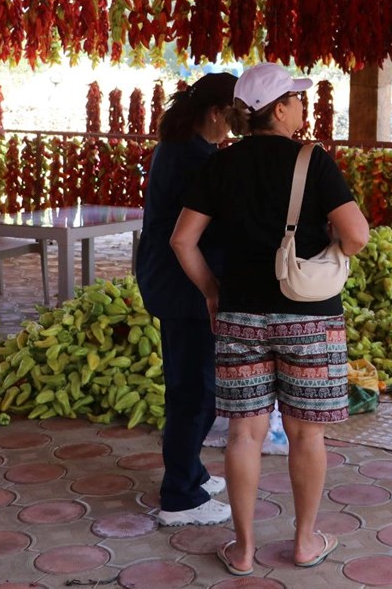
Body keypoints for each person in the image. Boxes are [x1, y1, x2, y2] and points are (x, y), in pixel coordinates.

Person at [171, 62, 370, 577]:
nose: (303, 107)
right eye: (297, 99)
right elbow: (358, 235)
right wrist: (332, 247)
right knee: (306, 436)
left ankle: (242, 550)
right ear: (279, 109)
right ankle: (304, 542)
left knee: (244, 435)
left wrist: (214, 293)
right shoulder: (313, 159)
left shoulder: (220, 164)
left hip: (240, 315)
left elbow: (181, 240)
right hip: (309, 317)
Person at [135, 73, 236, 527]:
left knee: (192, 384)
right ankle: (179, 495)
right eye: (235, 113)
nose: (240, 122)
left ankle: (191, 470)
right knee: (194, 392)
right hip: (185, 287)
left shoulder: (185, 148)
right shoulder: (194, 159)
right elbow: (191, 235)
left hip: (172, 282)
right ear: (216, 113)